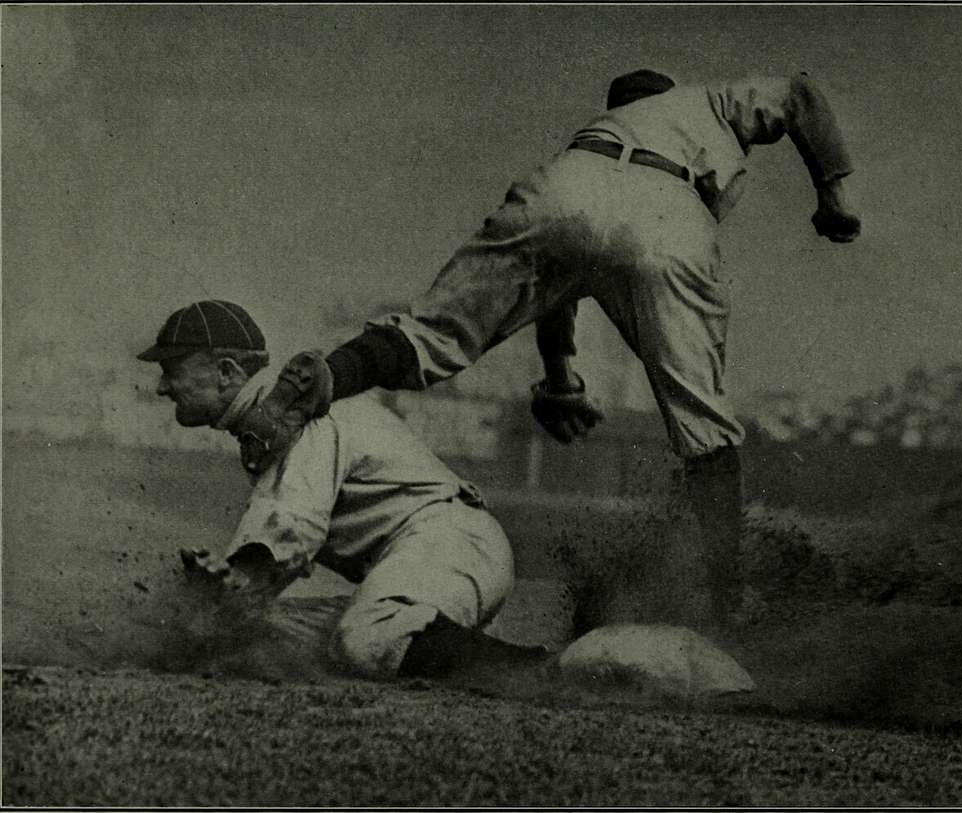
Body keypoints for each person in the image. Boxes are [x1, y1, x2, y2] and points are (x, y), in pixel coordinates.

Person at [230, 68, 862, 622]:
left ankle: (328, 376)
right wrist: (833, 194)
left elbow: (560, 280)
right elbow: (802, 91)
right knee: (704, 428)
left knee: (432, 333)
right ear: (667, 97)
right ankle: (727, 602)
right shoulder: (707, 102)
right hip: (669, 215)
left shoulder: (598, 132)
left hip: (559, 191)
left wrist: (561, 381)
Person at [136, 300, 551, 681]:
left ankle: (545, 673)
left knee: (365, 639)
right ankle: (446, 642)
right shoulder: (273, 418)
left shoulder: (303, 413)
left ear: (227, 371)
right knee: (263, 635)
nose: (162, 387)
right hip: (425, 562)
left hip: (448, 546)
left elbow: (293, 530)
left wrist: (233, 587)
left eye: (172, 369)